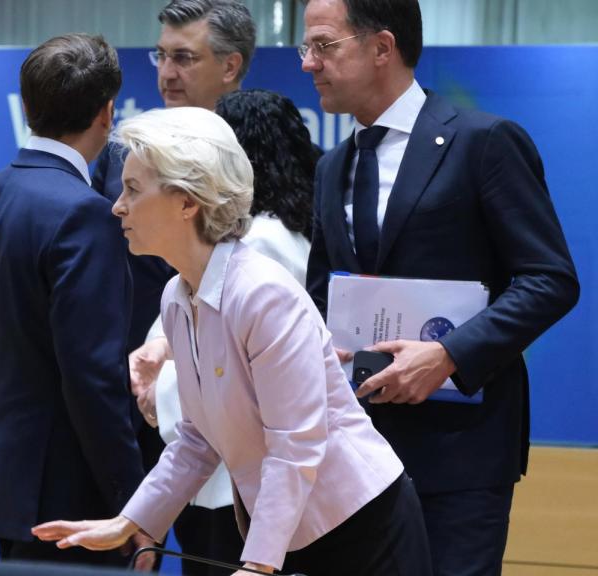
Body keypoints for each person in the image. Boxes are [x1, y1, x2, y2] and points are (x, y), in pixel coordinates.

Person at [32, 106, 432, 576]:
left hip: (362, 529)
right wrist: (130, 521)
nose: (117, 205)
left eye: (134, 189)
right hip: (291, 527)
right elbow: (198, 438)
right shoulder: (177, 295)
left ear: (188, 202)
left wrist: (259, 565)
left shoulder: (263, 293)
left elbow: (296, 444)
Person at [299, 1, 580, 575]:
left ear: (382, 47)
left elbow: (550, 279)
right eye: (306, 48)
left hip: (460, 454)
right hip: (357, 459)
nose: (308, 63)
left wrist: (450, 354)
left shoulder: (484, 142)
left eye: (324, 46)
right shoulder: (331, 166)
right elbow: (323, 291)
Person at [0, 34, 150, 568]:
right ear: (108, 113)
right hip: (75, 499)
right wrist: (133, 504)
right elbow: (92, 375)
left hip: (6, 477)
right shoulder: (86, 213)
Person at [94, 2, 258, 570]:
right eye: (161, 55)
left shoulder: (271, 162)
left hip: (248, 436)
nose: (167, 72)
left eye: (185, 57)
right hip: (149, 412)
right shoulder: (123, 156)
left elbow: (299, 442)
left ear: (231, 66)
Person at [130, 89, 319, 576]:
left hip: (282, 499)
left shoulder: (258, 262)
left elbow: (249, 395)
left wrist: (159, 391)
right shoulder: (182, 287)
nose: (119, 206)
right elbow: (200, 420)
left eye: (133, 189)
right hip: (251, 486)